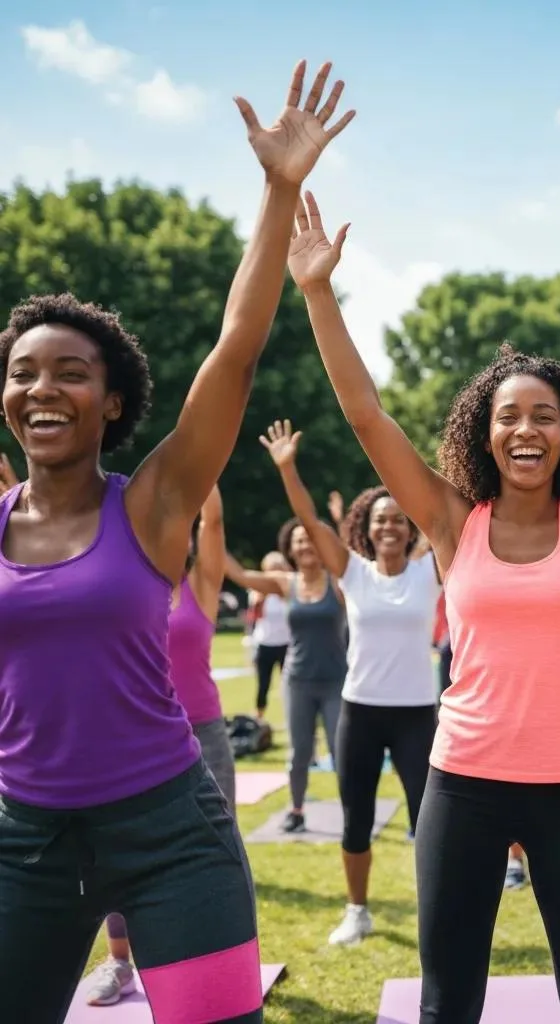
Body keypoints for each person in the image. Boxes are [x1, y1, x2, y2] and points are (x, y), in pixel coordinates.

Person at [288, 162, 560, 1023]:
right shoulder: (452, 522)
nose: (525, 429)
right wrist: (316, 292)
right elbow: (367, 416)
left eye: (542, 415)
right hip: (463, 782)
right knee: (447, 1002)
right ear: (483, 433)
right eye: (508, 416)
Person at [0, 58, 353, 1023]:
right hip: (23, 838)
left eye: (69, 372)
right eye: (22, 372)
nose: (42, 390)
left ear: (110, 401)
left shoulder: (150, 506)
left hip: (169, 825)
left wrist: (279, 192)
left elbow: (235, 349)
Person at [254, 417, 441, 948]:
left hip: (415, 714)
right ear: (367, 526)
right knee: (355, 819)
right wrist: (288, 468)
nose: (389, 528)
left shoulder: (429, 571)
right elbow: (309, 520)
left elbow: (457, 513)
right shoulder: (350, 571)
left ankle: (439, 909)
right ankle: (357, 910)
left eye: (399, 521)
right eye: (381, 520)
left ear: (409, 530)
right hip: (360, 711)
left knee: (430, 821)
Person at [85, 484, 238, 1006]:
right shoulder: (123, 584)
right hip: (134, 737)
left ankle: (206, 961)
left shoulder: (202, 584)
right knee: (118, 849)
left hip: (206, 733)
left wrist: (206, 471)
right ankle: (121, 961)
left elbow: (212, 525)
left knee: (215, 855)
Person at [225, 510, 349, 834]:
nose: (306, 545)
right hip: (297, 681)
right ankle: (296, 809)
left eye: (310, 538)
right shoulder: (284, 583)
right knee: (299, 753)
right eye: (299, 541)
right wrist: (207, 527)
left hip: (336, 680)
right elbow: (239, 574)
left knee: (341, 750)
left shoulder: (339, 582)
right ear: (290, 549)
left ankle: (352, 810)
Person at [250, 550, 293, 720]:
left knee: (290, 685)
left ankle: (294, 716)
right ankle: (259, 717)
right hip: (266, 643)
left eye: (278, 568)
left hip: (286, 644)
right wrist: (262, 597)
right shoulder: (258, 591)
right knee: (263, 684)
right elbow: (255, 616)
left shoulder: (291, 590)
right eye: (271, 569)